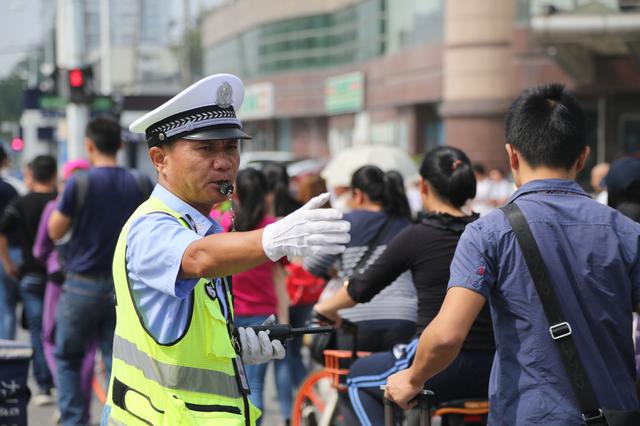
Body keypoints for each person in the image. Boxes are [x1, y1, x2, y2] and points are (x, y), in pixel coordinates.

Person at [100, 73, 350, 425]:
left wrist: (231, 350)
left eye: (230, 147)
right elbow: (198, 258)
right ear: (159, 159)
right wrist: (272, 237)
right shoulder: (152, 225)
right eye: (205, 149)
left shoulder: (203, 227)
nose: (224, 162)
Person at [384, 84, 640, 425]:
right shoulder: (626, 231)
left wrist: (412, 378)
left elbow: (446, 336)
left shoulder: (488, 233)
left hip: (530, 414)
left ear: (512, 156)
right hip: (618, 414)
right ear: (583, 156)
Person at [314, 147, 494, 425]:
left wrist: (325, 307)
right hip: (492, 366)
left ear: (423, 186)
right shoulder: (490, 233)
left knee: (358, 378)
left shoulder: (418, 235)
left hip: (439, 364)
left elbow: (361, 288)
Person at [47, 117, 153, 426]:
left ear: (89, 145)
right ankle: (118, 419)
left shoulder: (79, 183)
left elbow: (55, 230)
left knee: (68, 357)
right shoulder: (140, 182)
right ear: (121, 145)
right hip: (126, 288)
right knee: (118, 361)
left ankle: (74, 421)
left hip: (82, 285)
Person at [305, 165, 417, 353]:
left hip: (355, 317)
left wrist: (334, 270)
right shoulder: (406, 224)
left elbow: (312, 264)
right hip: (403, 315)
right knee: (396, 380)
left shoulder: (344, 222)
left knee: (355, 378)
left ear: (358, 194)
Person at [33, 158, 97, 423]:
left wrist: (51, 263)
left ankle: (67, 397)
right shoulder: (98, 208)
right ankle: (79, 405)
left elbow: (40, 248)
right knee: (89, 348)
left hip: (60, 283)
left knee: (52, 339)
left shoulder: (54, 206)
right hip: (96, 281)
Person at [229, 167, 291, 424]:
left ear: (237, 194)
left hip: (231, 313)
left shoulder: (225, 226)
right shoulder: (273, 229)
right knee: (255, 382)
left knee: (234, 382)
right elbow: (281, 272)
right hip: (263, 314)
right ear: (266, 195)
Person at [0, 154, 58, 404]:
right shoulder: (59, 202)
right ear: (55, 175)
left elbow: (1, 231)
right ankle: (59, 381)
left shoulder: (22, 203)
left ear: (32, 174)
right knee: (57, 330)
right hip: (58, 278)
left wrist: (8, 264)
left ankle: (42, 386)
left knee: (36, 330)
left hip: (30, 276)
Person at [0, 145, 22, 339]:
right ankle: (5, 352)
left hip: (6, 252)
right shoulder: (10, 190)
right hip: (10, 252)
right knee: (7, 306)